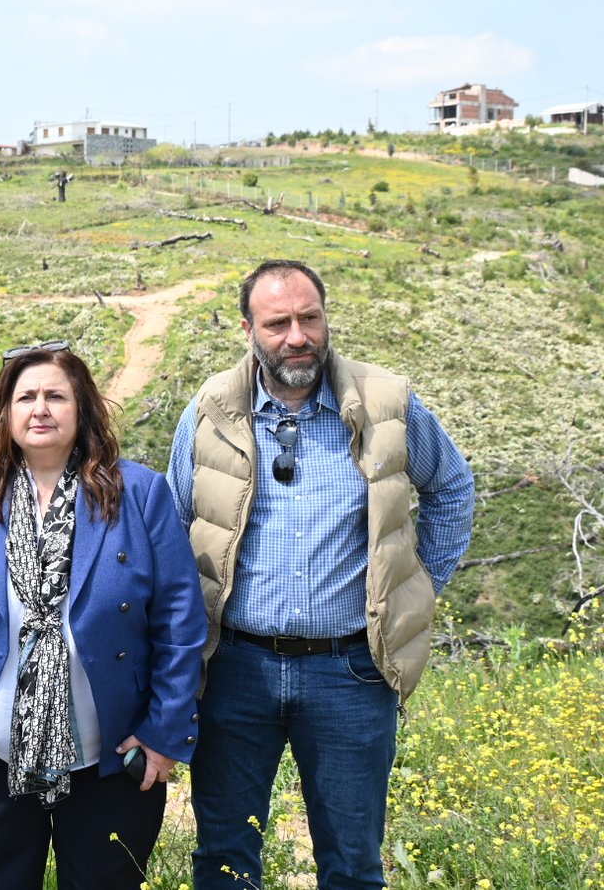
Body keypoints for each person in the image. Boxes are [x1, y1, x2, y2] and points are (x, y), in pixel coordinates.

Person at [167, 259, 475, 890]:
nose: (297, 337)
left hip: (351, 672)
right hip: (233, 671)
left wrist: (414, 591)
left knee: (353, 864)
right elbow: (173, 524)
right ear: (248, 330)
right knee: (224, 857)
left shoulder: (387, 404)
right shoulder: (210, 410)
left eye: (309, 318)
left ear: (327, 317)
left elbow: (452, 488)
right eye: (277, 323)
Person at [0, 342, 206, 889]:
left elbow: (179, 622)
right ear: (5, 412)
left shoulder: (139, 494)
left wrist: (163, 733)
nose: (40, 409)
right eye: (26, 397)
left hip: (112, 756)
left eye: (56, 396)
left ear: (82, 408)